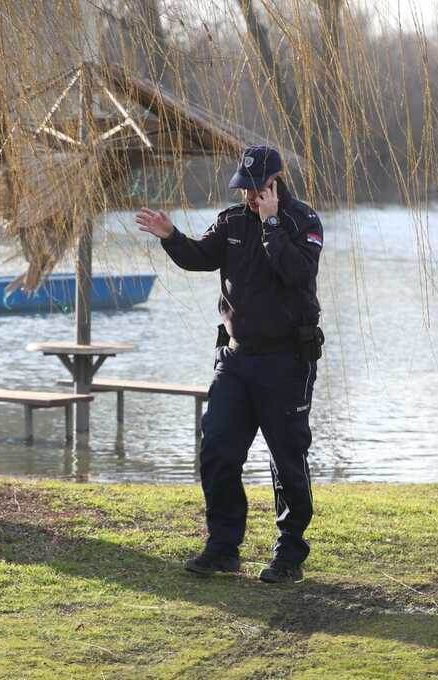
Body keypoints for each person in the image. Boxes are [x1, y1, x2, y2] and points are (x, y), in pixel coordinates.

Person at [136, 145, 324, 584]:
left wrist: (272, 223)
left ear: (277, 183)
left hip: (286, 361)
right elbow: (199, 257)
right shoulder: (232, 221)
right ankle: (223, 548)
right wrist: (171, 236)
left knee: (287, 457)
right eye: (246, 190)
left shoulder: (304, 223)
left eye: (258, 190)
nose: (250, 198)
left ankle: (289, 555)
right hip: (236, 360)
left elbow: (297, 273)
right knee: (218, 450)